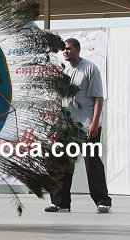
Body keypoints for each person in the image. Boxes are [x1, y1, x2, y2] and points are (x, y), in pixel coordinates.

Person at [45, 38, 112, 214]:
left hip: (87, 125)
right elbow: (62, 101)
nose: (65, 52)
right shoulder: (65, 70)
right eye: (64, 49)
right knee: (60, 162)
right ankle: (61, 203)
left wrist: (94, 124)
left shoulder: (90, 68)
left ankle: (103, 202)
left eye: (68, 48)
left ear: (77, 49)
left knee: (92, 163)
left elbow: (98, 98)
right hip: (67, 127)